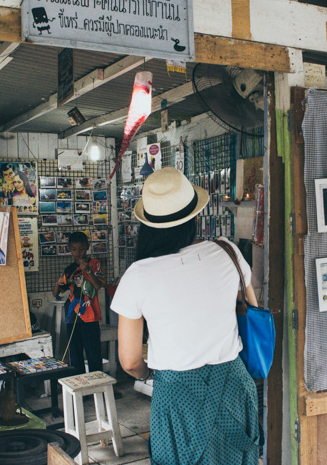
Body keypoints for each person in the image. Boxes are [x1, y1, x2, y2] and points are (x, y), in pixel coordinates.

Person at [111, 167, 262, 465]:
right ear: (193, 217)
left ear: (148, 225)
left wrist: (148, 375)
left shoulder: (138, 275)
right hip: (233, 385)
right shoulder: (226, 251)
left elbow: (128, 361)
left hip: (177, 396)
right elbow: (252, 312)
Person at [53, 231, 104, 374]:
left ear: (87, 247)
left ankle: (97, 388)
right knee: (74, 354)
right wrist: (57, 283)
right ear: (69, 249)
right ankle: (80, 389)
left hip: (90, 316)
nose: (78, 253)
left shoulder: (95, 264)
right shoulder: (69, 269)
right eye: (74, 250)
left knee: (93, 352)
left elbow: (98, 286)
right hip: (72, 316)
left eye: (81, 249)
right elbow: (56, 293)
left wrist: (87, 270)